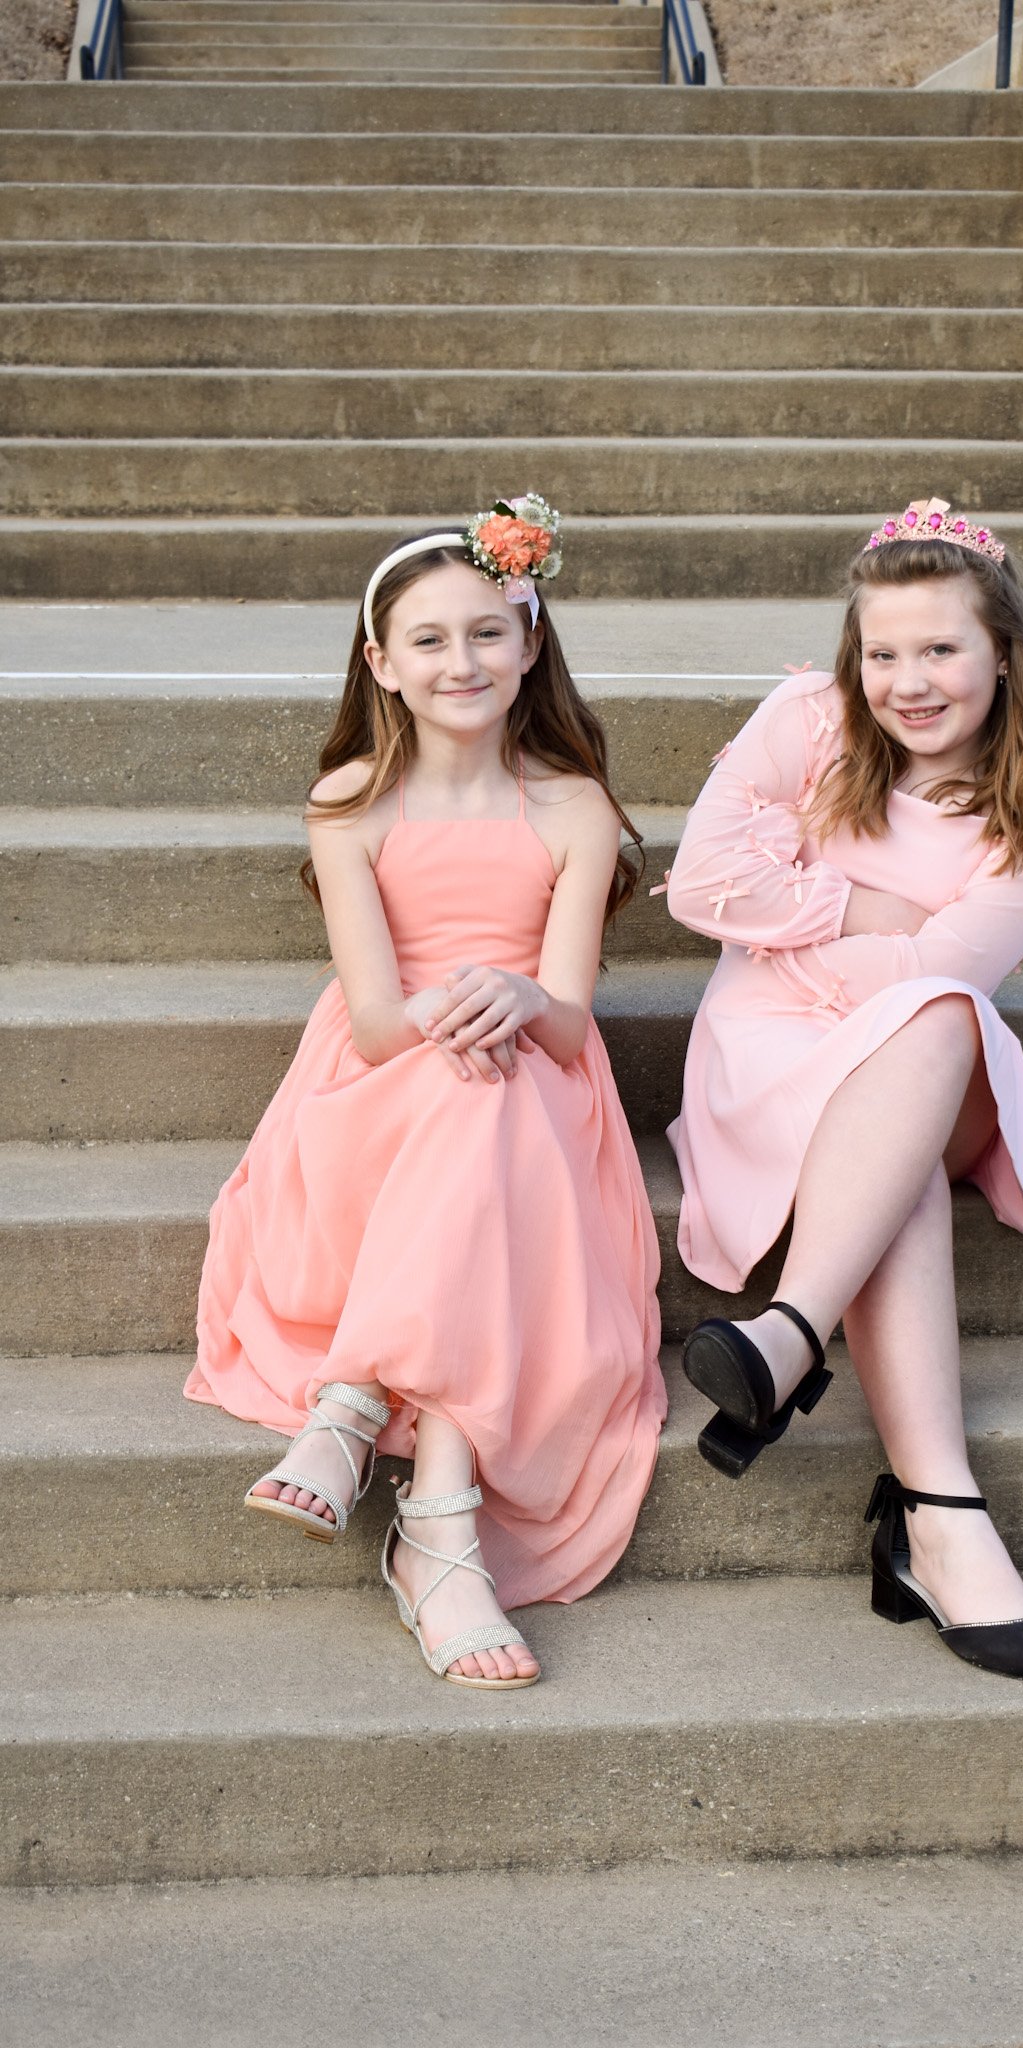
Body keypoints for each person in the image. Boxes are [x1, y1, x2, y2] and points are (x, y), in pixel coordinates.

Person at [187, 498, 666, 1690]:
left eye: (490, 632)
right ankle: (436, 1539)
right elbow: (378, 1016)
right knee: (466, 1082)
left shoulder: (574, 807)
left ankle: (360, 1412)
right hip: (376, 1081)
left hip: (536, 1079)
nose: (464, 660)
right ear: (382, 664)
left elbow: (565, 1017)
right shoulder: (353, 799)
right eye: (431, 640)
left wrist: (513, 994)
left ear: (533, 641)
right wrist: (470, 1018)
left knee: (494, 1085)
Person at [665, 499, 1023, 1683]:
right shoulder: (809, 719)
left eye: (941, 649)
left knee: (937, 1012)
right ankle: (938, 1517)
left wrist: (793, 916)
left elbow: (939, 972)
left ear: (1003, 653)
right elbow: (700, 881)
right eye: (883, 651)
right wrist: (860, 908)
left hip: (916, 1062)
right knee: (902, 1134)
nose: (908, 680)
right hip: (765, 1054)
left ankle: (789, 1333)